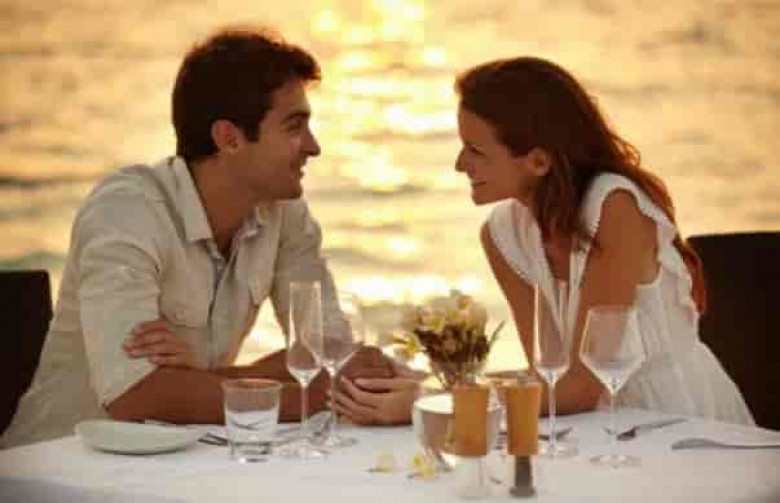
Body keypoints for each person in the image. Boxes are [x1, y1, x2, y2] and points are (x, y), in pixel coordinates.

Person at [2, 27, 393, 448]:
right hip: (61, 461)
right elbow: (132, 395)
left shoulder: (283, 211)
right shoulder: (127, 211)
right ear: (229, 138)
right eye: (294, 127)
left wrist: (210, 379)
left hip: (183, 454)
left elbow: (329, 353)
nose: (313, 147)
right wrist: (308, 398)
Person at [332, 56, 754, 426]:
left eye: (475, 150)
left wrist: (432, 403)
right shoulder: (503, 235)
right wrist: (431, 384)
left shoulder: (613, 207)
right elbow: (551, 377)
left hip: (676, 416)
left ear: (538, 161)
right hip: (585, 424)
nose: (460, 164)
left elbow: (583, 386)